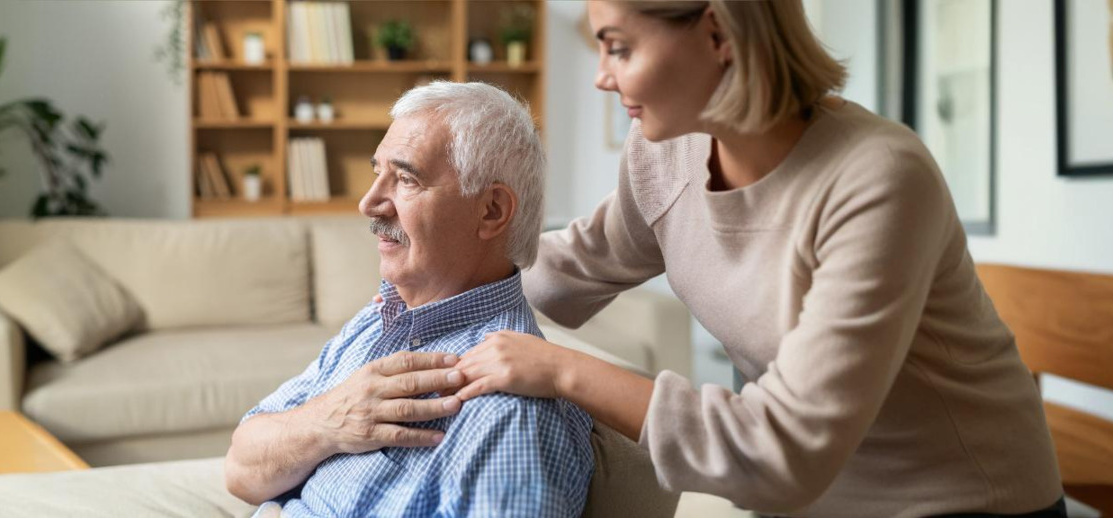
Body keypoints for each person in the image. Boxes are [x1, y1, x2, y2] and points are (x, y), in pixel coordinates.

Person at [447, 1, 1067, 517]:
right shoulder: (665, 154)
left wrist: (560, 370)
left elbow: (785, 451)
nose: (602, 76)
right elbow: (567, 268)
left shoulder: (878, 178)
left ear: (718, 31)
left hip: (958, 501)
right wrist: (423, 272)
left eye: (619, 48)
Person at [222, 81, 593, 517]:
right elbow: (240, 469)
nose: (368, 202)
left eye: (406, 179)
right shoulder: (384, 314)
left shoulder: (510, 413)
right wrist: (326, 423)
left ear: (491, 210)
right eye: (376, 172)